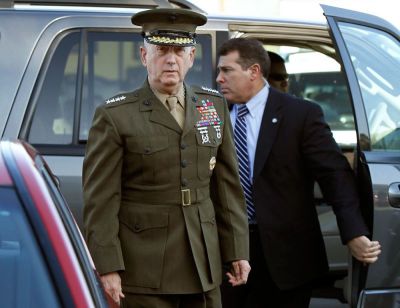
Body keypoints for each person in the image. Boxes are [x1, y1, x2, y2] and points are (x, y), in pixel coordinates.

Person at [82, 9, 250, 308]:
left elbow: (227, 188)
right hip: (144, 267)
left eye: (179, 50)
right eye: (161, 50)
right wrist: (108, 267)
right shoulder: (116, 115)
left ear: (192, 56)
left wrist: (237, 249)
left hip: (203, 262)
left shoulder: (212, 106)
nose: (170, 59)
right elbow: (101, 201)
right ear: (145, 55)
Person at [216, 37, 381, 308]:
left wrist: (353, 232)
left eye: (227, 70)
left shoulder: (299, 114)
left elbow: (334, 175)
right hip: (227, 252)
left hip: (286, 258)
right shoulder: (211, 112)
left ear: (254, 72)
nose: (219, 78)